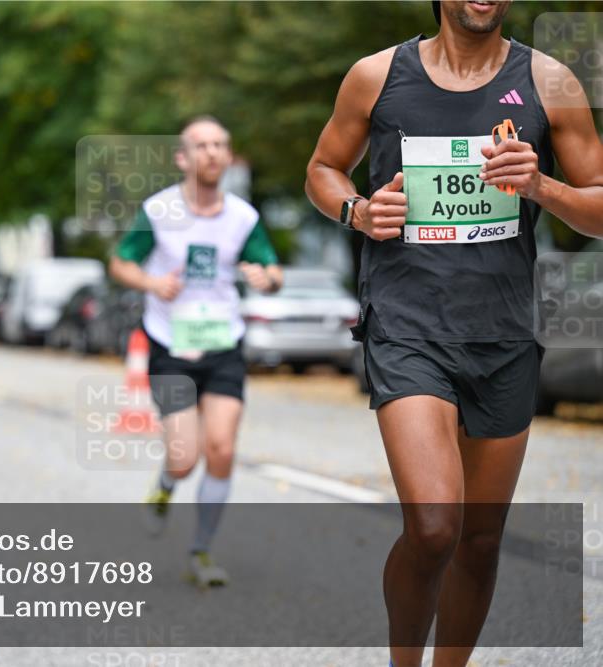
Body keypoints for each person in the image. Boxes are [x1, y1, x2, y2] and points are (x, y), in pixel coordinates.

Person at [304, 2, 602, 665]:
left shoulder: (550, 81)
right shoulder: (376, 76)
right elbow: (322, 170)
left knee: (480, 540)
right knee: (436, 525)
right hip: (407, 324)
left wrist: (541, 186)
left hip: (503, 331)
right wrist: (358, 210)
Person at [110, 115, 283, 587]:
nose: (212, 152)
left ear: (228, 156)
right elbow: (121, 263)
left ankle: (201, 551)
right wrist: (151, 283)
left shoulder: (243, 217)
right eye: (202, 145)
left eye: (220, 145)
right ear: (182, 158)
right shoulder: (159, 211)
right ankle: (166, 485)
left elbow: (273, 271)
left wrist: (265, 278)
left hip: (223, 344)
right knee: (185, 457)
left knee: (221, 449)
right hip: (170, 345)